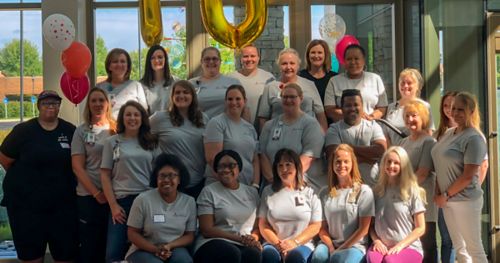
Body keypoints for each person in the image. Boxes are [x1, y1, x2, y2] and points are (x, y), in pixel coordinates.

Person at [0, 90, 77, 262]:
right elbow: (5, 159)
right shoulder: (23, 131)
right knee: (32, 257)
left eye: (54, 103)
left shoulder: (70, 130)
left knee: (66, 255)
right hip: (26, 209)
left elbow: (78, 163)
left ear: (59, 106)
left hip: (62, 208)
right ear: (38, 106)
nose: (50, 106)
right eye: (46, 103)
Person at [431, 92, 489, 263]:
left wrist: (445, 195)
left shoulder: (474, 138)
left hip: (465, 201)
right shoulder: (449, 133)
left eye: (460, 110)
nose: (455, 113)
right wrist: (439, 193)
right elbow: (439, 165)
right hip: (446, 200)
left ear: (471, 111)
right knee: (459, 248)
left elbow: (468, 176)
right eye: (453, 108)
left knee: (474, 249)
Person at [100, 101, 160, 262]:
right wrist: (113, 206)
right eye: (128, 114)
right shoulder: (112, 142)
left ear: (142, 118)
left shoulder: (152, 142)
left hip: (147, 201)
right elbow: (105, 175)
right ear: (122, 118)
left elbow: (159, 174)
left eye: (136, 114)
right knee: (113, 253)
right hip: (122, 204)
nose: (132, 118)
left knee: (148, 249)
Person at [71, 87, 116, 263]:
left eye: (101, 100)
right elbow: (77, 167)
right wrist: (96, 193)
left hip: (114, 196)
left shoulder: (116, 128)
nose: (97, 104)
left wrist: (109, 196)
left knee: (111, 246)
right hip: (89, 197)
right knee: (90, 247)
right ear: (88, 105)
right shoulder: (81, 131)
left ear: (107, 104)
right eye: (93, 101)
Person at [194, 150, 262, 263]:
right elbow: (207, 230)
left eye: (231, 165)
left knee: (253, 254)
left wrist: (253, 239)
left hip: (244, 242)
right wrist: (240, 239)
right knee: (231, 253)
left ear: (239, 168)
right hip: (213, 241)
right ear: (216, 170)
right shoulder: (209, 191)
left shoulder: (252, 192)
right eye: (221, 166)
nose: (226, 170)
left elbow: (256, 227)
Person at [126, 153, 196, 263]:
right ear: (156, 178)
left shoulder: (189, 202)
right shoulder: (143, 199)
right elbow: (132, 234)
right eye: (162, 176)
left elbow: (189, 236)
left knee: (184, 261)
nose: (167, 180)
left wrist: (169, 246)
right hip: (144, 249)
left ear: (180, 179)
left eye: (172, 175)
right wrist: (155, 250)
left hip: (174, 248)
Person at [311, 144, 374, 263]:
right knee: (318, 257)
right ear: (332, 164)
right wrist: (330, 248)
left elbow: (363, 229)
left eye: (346, 161)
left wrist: (341, 249)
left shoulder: (364, 191)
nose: (342, 165)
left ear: (352, 164)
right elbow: (322, 228)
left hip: (354, 245)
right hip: (329, 244)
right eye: (338, 162)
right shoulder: (325, 192)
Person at [259, 148, 322, 263]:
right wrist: (279, 245)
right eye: (280, 165)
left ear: (297, 166)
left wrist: (295, 242)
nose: (284, 169)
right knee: (268, 256)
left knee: (295, 257)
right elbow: (263, 225)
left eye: (288, 164)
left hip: (302, 244)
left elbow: (316, 225)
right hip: (274, 244)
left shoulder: (310, 192)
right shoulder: (268, 191)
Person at [260, 83, 325, 192]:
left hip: (300, 186)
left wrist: (287, 180)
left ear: (301, 98)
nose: (288, 100)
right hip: (273, 186)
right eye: (285, 97)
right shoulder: (269, 125)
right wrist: (274, 179)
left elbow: (308, 158)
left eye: (292, 97)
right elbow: (262, 155)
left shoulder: (311, 124)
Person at [150, 80, 209, 198]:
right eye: (177, 93)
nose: (181, 96)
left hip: (198, 183)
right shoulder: (159, 118)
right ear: (172, 97)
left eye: (186, 92)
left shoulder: (204, 118)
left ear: (193, 96)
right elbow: (140, 134)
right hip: (171, 184)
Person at [367, 146, 426, 263]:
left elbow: (421, 228)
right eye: (388, 162)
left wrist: (400, 246)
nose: (391, 166)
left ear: (404, 166)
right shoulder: (376, 191)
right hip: (382, 245)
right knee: (373, 260)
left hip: (408, 247)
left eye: (396, 163)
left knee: (390, 261)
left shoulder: (412, 191)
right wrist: (376, 241)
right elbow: (370, 225)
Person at [397, 100, 437, 262]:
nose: (410, 119)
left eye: (414, 115)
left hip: (423, 201)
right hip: (404, 202)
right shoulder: (402, 142)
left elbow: (422, 173)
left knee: (427, 244)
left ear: (423, 118)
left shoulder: (428, 141)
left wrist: (400, 190)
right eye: (407, 116)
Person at [325, 89, 387, 187]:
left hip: (373, 189)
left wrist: (345, 149)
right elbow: (332, 155)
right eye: (348, 105)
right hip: (343, 189)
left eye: (356, 105)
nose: (352, 108)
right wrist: (368, 158)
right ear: (342, 108)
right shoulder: (333, 129)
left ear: (362, 106)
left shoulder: (373, 126)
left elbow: (381, 150)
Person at [257, 48, 328, 132]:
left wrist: (322, 138)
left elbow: (320, 115)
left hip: (307, 134)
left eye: (292, 63)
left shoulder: (309, 85)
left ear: (298, 66)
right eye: (284, 63)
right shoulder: (270, 87)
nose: (288, 67)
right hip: (279, 135)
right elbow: (263, 119)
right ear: (279, 66)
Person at [204, 84, 259, 186]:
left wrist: (255, 185)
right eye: (230, 99)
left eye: (238, 99)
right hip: (222, 187)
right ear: (225, 102)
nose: (234, 102)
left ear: (245, 101)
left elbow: (255, 160)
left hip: (246, 187)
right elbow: (212, 160)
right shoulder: (216, 123)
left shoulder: (250, 128)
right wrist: (232, 186)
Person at [324, 44, 387, 122]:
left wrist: (371, 117)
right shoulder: (334, 81)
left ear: (363, 60)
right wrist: (354, 116)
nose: (353, 62)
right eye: (349, 59)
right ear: (344, 61)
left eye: (356, 58)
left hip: (371, 127)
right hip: (343, 129)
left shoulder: (375, 79)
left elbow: (382, 108)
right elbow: (330, 110)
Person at [433, 91, 458, 263]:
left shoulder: (469, 132)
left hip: (461, 196)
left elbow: (482, 166)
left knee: (458, 240)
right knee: (446, 239)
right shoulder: (438, 135)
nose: (449, 110)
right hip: (442, 195)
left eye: (453, 106)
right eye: (446, 106)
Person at [383, 68, 435, 145]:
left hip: (415, 152)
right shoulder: (391, 107)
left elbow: (429, 134)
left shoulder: (424, 106)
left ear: (417, 86)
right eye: (402, 83)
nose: (405, 86)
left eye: (409, 83)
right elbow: (386, 136)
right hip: (396, 153)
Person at [228, 44, 275, 127]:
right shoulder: (230, 78)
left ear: (258, 58)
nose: (249, 59)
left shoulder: (269, 78)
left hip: (263, 129)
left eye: (252, 56)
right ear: (241, 59)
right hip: (235, 129)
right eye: (245, 56)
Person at [189, 46, 242, 119]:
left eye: (214, 59)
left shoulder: (233, 83)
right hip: (199, 128)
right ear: (201, 62)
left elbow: (244, 109)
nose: (211, 62)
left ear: (220, 61)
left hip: (226, 128)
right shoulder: (191, 84)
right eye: (207, 59)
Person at [96, 48, 148, 119]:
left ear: (127, 66)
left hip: (130, 128)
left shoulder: (136, 86)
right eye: (115, 61)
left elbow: (144, 111)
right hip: (106, 128)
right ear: (109, 66)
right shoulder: (100, 87)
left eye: (123, 61)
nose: (119, 64)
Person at [140, 44, 178, 115]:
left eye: (160, 57)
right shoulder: (140, 85)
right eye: (153, 58)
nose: (157, 60)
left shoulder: (176, 82)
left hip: (171, 124)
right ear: (149, 61)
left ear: (165, 60)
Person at [298, 39, 337, 104]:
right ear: (308, 55)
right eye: (313, 52)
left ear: (326, 55)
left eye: (320, 52)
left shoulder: (334, 78)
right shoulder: (300, 76)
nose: (316, 56)